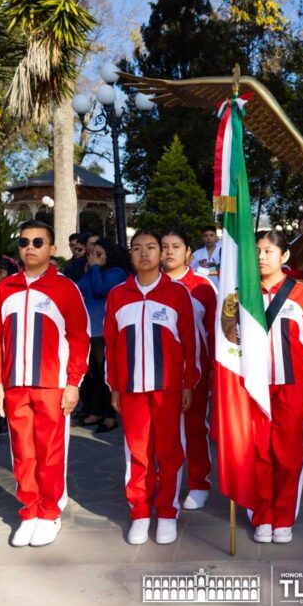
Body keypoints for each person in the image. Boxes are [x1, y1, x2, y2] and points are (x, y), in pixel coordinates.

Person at [0, 220, 90, 548]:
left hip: (52, 385)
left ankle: (49, 513)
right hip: (15, 385)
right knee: (22, 452)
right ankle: (29, 511)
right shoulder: (4, 289)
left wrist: (73, 383)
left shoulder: (65, 288)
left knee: (50, 452)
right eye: (24, 242)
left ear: (52, 248)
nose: (30, 247)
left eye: (38, 242)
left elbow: (79, 337)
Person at [105, 230, 197, 545]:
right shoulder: (118, 295)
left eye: (151, 247)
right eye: (137, 248)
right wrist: (115, 387)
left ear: (160, 254)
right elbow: (111, 346)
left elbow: (190, 344)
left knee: (169, 453)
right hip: (131, 390)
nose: (144, 253)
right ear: (130, 255)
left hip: (168, 389)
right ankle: (141, 513)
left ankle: (167, 513)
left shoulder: (177, 293)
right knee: (138, 454)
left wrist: (188, 384)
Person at [247, 230, 303, 543]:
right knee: (258, 453)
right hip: (254, 388)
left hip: (293, 386)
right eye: (257, 250)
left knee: (289, 454)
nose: (261, 257)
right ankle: (262, 516)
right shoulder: (241, 294)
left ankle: (283, 517)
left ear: (284, 256)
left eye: (268, 251)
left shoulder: (302, 294)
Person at [160, 229, 218, 510]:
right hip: (159, 371)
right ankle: (164, 480)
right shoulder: (150, 283)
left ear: (188, 253)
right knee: (162, 432)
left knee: (195, 427)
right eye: (164, 246)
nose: (169, 252)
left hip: (195, 371)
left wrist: (212, 367)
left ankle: (198, 483)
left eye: (176, 246)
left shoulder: (202, 286)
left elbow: (215, 329)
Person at [76, 235, 129, 432]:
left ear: (109, 255)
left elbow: (100, 289)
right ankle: (96, 411)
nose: (94, 258)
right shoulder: (93, 271)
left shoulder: (117, 273)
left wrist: (96, 268)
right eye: (92, 254)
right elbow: (78, 288)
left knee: (104, 375)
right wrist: (91, 270)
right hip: (89, 330)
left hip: (104, 331)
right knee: (92, 376)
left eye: (99, 254)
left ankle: (109, 416)